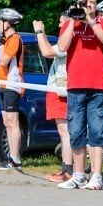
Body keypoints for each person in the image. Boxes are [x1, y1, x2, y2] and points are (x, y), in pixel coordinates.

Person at [56, 0, 103, 190]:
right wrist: (73, 20)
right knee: (76, 131)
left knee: (98, 131)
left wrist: (91, 21)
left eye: (91, 2)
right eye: (84, 2)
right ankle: (78, 174)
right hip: (75, 87)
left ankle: (96, 175)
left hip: (98, 86)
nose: (88, 5)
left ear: (96, 5)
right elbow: (62, 47)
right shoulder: (70, 24)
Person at [33, 12, 73, 182]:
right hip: (58, 89)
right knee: (64, 132)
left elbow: (46, 52)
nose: (59, 26)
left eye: (61, 22)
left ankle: (69, 172)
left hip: (62, 92)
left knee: (66, 133)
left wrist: (39, 31)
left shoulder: (68, 42)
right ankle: (66, 169)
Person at [0, 7, 25, 170]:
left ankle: (15, 159)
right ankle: (11, 157)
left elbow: (3, 61)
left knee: (13, 122)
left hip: (12, 84)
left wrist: (0, 44)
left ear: (8, 23)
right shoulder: (6, 40)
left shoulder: (14, 39)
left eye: (0, 21)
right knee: (7, 121)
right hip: (3, 84)